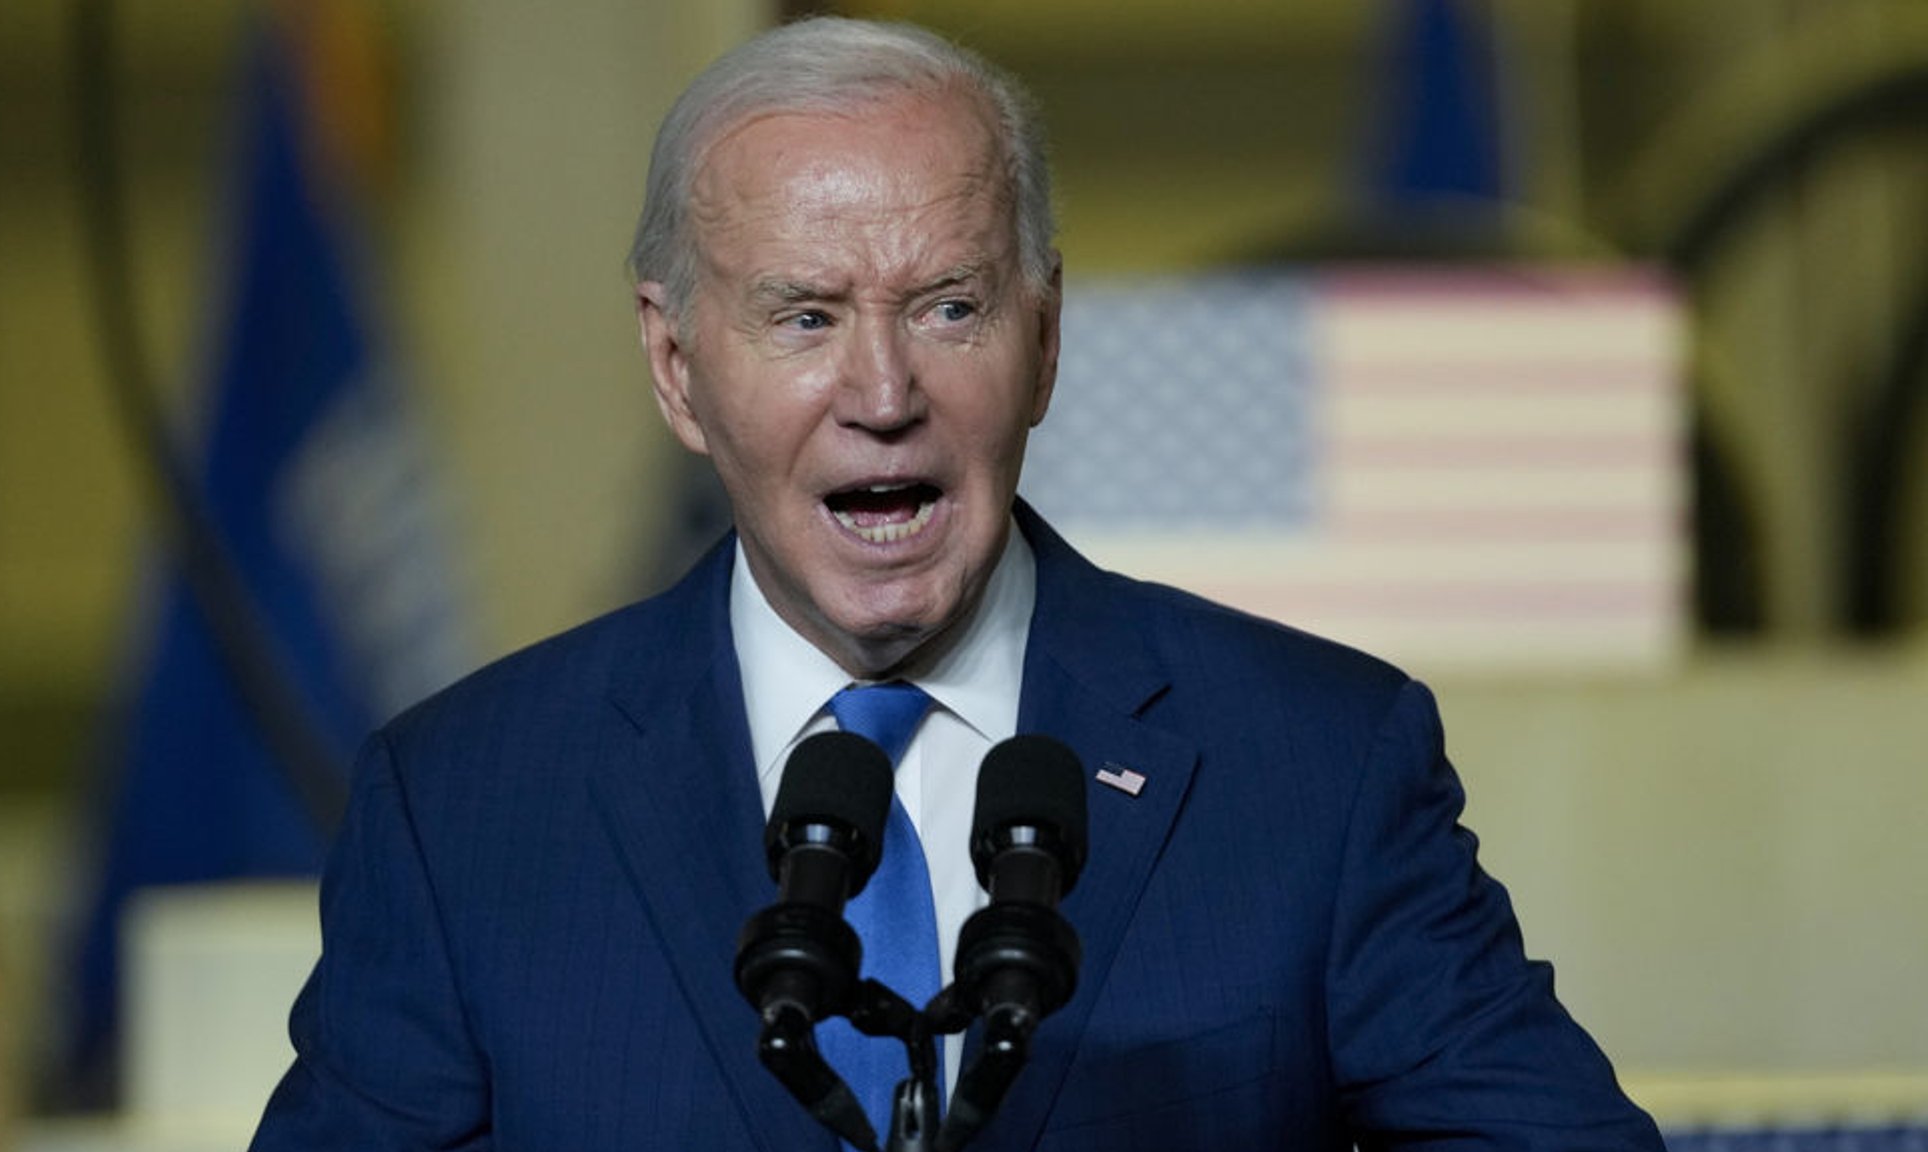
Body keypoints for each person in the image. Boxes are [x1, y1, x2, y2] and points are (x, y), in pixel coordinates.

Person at [251, 16, 1664, 1152]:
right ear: (678, 369)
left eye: (950, 308)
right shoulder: (465, 812)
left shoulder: (1316, 765)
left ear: (1043, 341)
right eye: (804, 316)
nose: (882, 393)